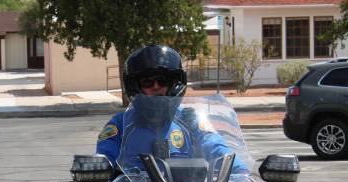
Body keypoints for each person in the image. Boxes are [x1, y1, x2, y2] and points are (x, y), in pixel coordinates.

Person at [96, 44, 247, 173]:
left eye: (163, 80)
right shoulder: (120, 124)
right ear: (135, 86)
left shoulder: (190, 120)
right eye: (147, 82)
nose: (156, 87)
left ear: (174, 83)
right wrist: (99, 170)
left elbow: (217, 148)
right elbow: (104, 159)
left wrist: (241, 173)